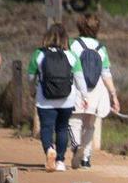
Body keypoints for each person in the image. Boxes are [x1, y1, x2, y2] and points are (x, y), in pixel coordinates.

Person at [28, 23, 88, 172]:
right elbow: (80, 78)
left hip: (45, 97)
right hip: (67, 99)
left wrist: (32, 91)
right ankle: (60, 161)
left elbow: (30, 76)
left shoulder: (38, 54)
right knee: (62, 128)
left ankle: (49, 149)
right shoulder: (71, 55)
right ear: (65, 39)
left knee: (47, 127)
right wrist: (85, 96)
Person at [68, 13, 121, 169]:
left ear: (80, 26)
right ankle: (86, 158)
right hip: (96, 90)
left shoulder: (73, 44)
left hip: (76, 87)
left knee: (74, 121)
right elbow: (106, 73)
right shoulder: (100, 48)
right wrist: (114, 95)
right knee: (90, 124)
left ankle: (76, 146)